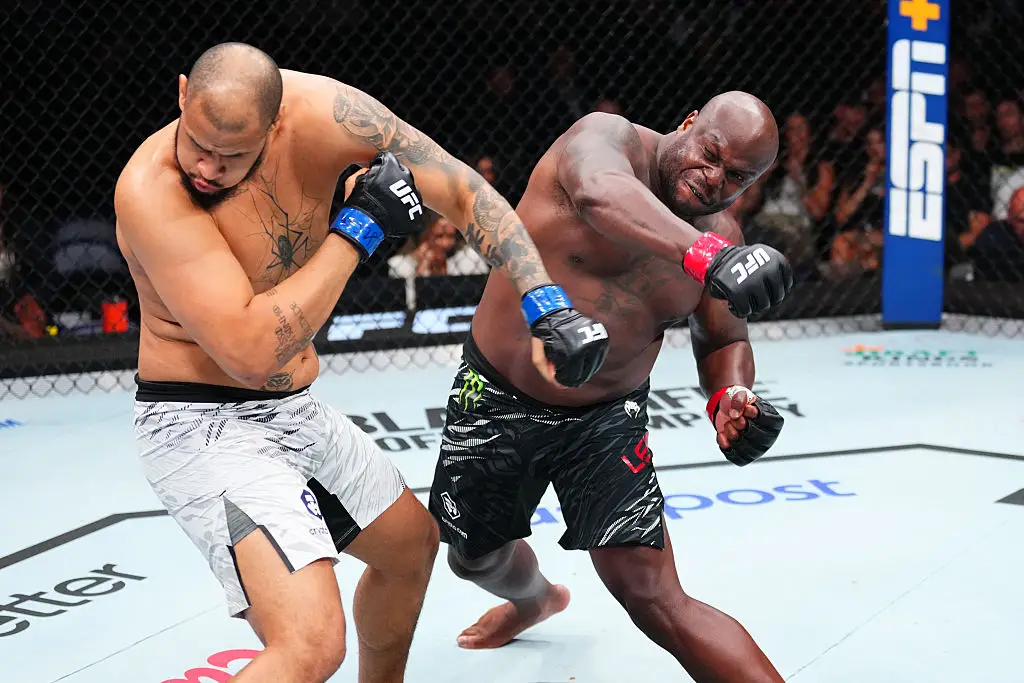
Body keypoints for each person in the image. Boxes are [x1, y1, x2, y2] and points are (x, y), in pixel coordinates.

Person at [114, 42, 613, 683]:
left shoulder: (327, 113)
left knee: (410, 548)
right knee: (311, 646)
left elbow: (460, 189)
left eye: (231, 155)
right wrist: (359, 229)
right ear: (183, 93)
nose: (207, 168)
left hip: (291, 410)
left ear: (275, 124)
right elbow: (250, 354)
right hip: (200, 424)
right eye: (197, 144)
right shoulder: (151, 190)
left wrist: (546, 304)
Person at [428, 92, 794, 683]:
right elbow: (601, 194)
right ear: (688, 124)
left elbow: (723, 337)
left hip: (608, 419)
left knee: (654, 596)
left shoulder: (722, 236)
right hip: (497, 397)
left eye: (736, 177)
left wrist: (731, 397)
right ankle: (535, 599)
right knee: (474, 559)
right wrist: (706, 255)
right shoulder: (606, 139)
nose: (714, 179)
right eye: (710, 154)